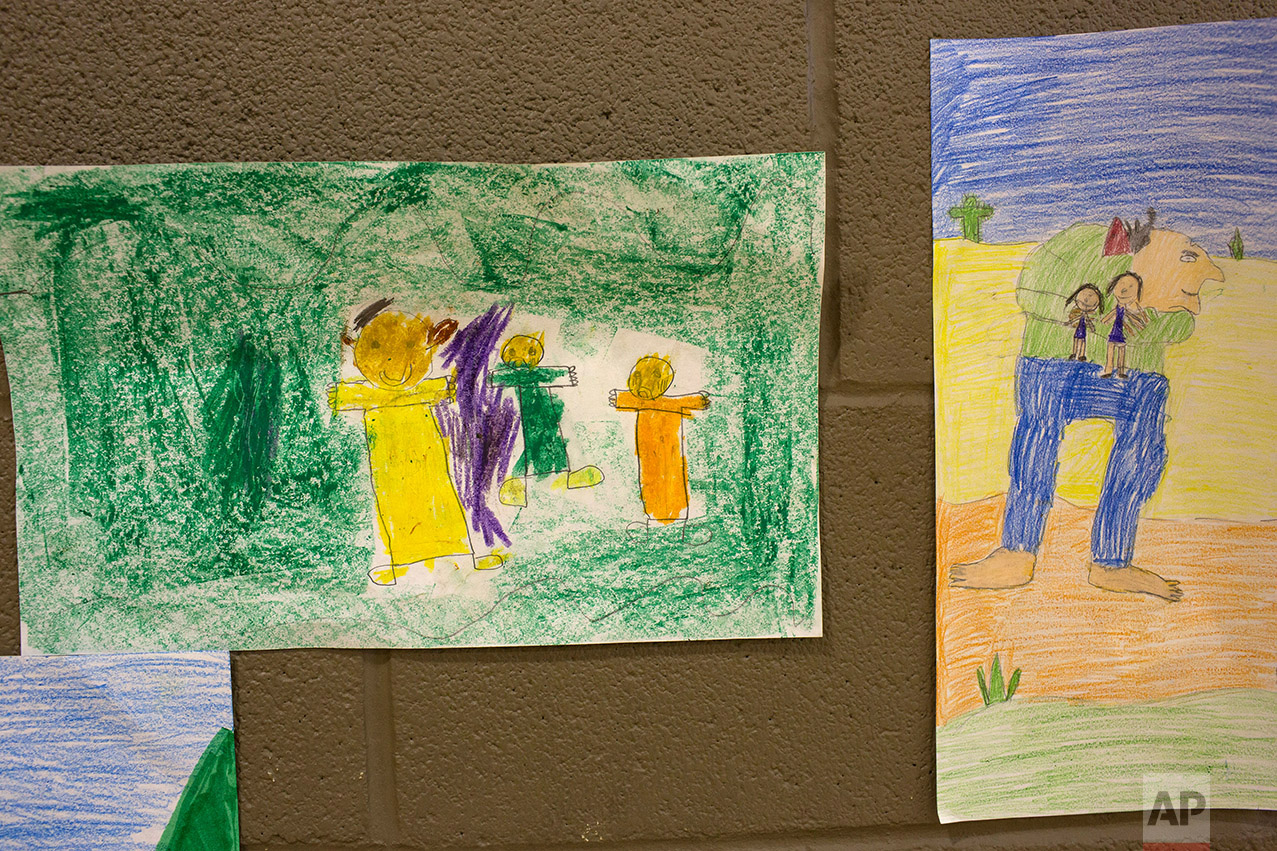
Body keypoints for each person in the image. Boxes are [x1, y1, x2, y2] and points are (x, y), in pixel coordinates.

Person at [949, 216, 1223, 601]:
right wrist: (1084, 308)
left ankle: (1112, 562)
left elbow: (1183, 326)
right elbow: (1029, 291)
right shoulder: (1075, 243)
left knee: (1144, 449)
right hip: (1053, 361)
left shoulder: (1164, 279)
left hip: (1135, 374)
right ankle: (1017, 552)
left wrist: (1140, 321)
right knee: (1036, 440)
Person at [329, 300, 505, 585]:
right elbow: (343, 397)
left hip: (428, 459)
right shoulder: (363, 394)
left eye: (408, 352)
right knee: (393, 507)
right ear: (356, 349)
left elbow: (442, 389)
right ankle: (396, 560)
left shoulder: (422, 389)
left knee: (443, 501)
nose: (395, 366)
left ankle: (464, 555)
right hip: (389, 464)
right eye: (381, 352)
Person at [488, 333, 603, 506]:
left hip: (544, 417)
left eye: (530, 352)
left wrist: (564, 375)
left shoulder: (536, 374)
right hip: (523, 420)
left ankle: (567, 476)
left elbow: (552, 375)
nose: (521, 359)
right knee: (525, 449)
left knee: (556, 443)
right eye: (512, 353)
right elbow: (494, 379)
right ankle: (515, 484)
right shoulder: (510, 376)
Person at [609, 355, 710, 532]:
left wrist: (620, 399)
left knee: (671, 477)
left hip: (670, 451)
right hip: (648, 452)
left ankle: (673, 522)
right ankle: (656, 521)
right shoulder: (653, 403)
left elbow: (685, 402)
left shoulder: (668, 404)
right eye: (638, 377)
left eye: (653, 376)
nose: (642, 383)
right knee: (650, 478)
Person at [1100, 272, 1149, 378]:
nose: (1124, 290)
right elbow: (1109, 317)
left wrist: (1138, 324)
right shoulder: (1117, 308)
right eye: (1121, 284)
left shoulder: (1128, 310)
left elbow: (1133, 319)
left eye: (1131, 287)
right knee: (1111, 349)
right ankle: (1108, 370)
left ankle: (1120, 371)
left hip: (1121, 333)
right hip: (1114, 331)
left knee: (1121, 350)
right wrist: (1105, 320)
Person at [1065, 283, 1103, 362]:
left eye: (1090, 296)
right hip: (1078, 328)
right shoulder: (1077, 311)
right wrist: (1070, 322)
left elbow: (1089, 322)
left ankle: (1081, 354)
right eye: (1084, 295)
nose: (1086, 299)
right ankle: (1074, 353)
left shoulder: (1087, 315)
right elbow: (1073, 318)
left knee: (1082, 340)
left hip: (1082, 329)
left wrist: (1092, 327)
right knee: (1076, 339)